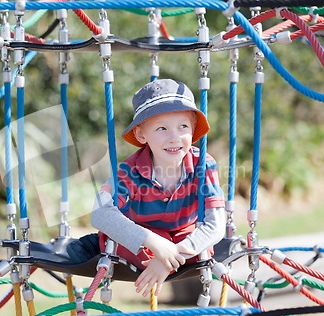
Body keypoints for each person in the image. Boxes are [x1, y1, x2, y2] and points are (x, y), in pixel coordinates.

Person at [91, 79, 226, 297]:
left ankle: (171, 256)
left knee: (204, 248)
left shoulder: (204, 164)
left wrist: (168, 258)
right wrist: (155, 243)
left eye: (183, 126)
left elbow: (216, 224)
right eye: (162, 128)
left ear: (193, 130)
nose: (174, 138)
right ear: (142, 135)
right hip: (144, 238)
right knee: (119, 243)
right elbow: (99, 213)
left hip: (186, 239)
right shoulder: (130, 170)